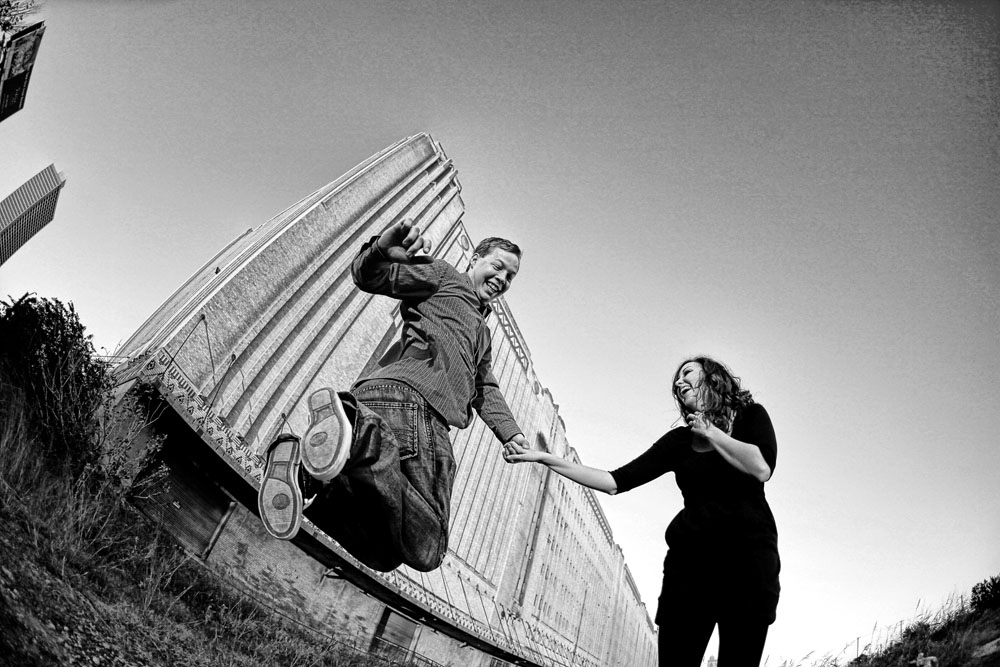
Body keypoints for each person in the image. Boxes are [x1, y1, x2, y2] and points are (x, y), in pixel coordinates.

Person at [257, 219, 529, 573]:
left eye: (511, 277)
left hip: (386, 401)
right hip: (414, 406)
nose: (502, 279)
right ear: (475, 259)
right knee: (427, 547)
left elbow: (484, 388)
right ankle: (361, 432)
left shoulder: (482, 335)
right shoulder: (446, 278)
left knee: (383, 553)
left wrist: (512, 433)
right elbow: (370, 276)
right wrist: (383, 248)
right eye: (498, 266)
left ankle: (304, 473)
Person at [504, 356, 780, 667]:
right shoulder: (678, 442)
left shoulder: (751, 417)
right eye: (676, 381)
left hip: (749, 566)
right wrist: (544, 458)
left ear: (713, 378)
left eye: (687, 373)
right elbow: (614, 481)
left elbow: (760, 468)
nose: (678, 382)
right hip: (689, 568)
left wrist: (711, 432)